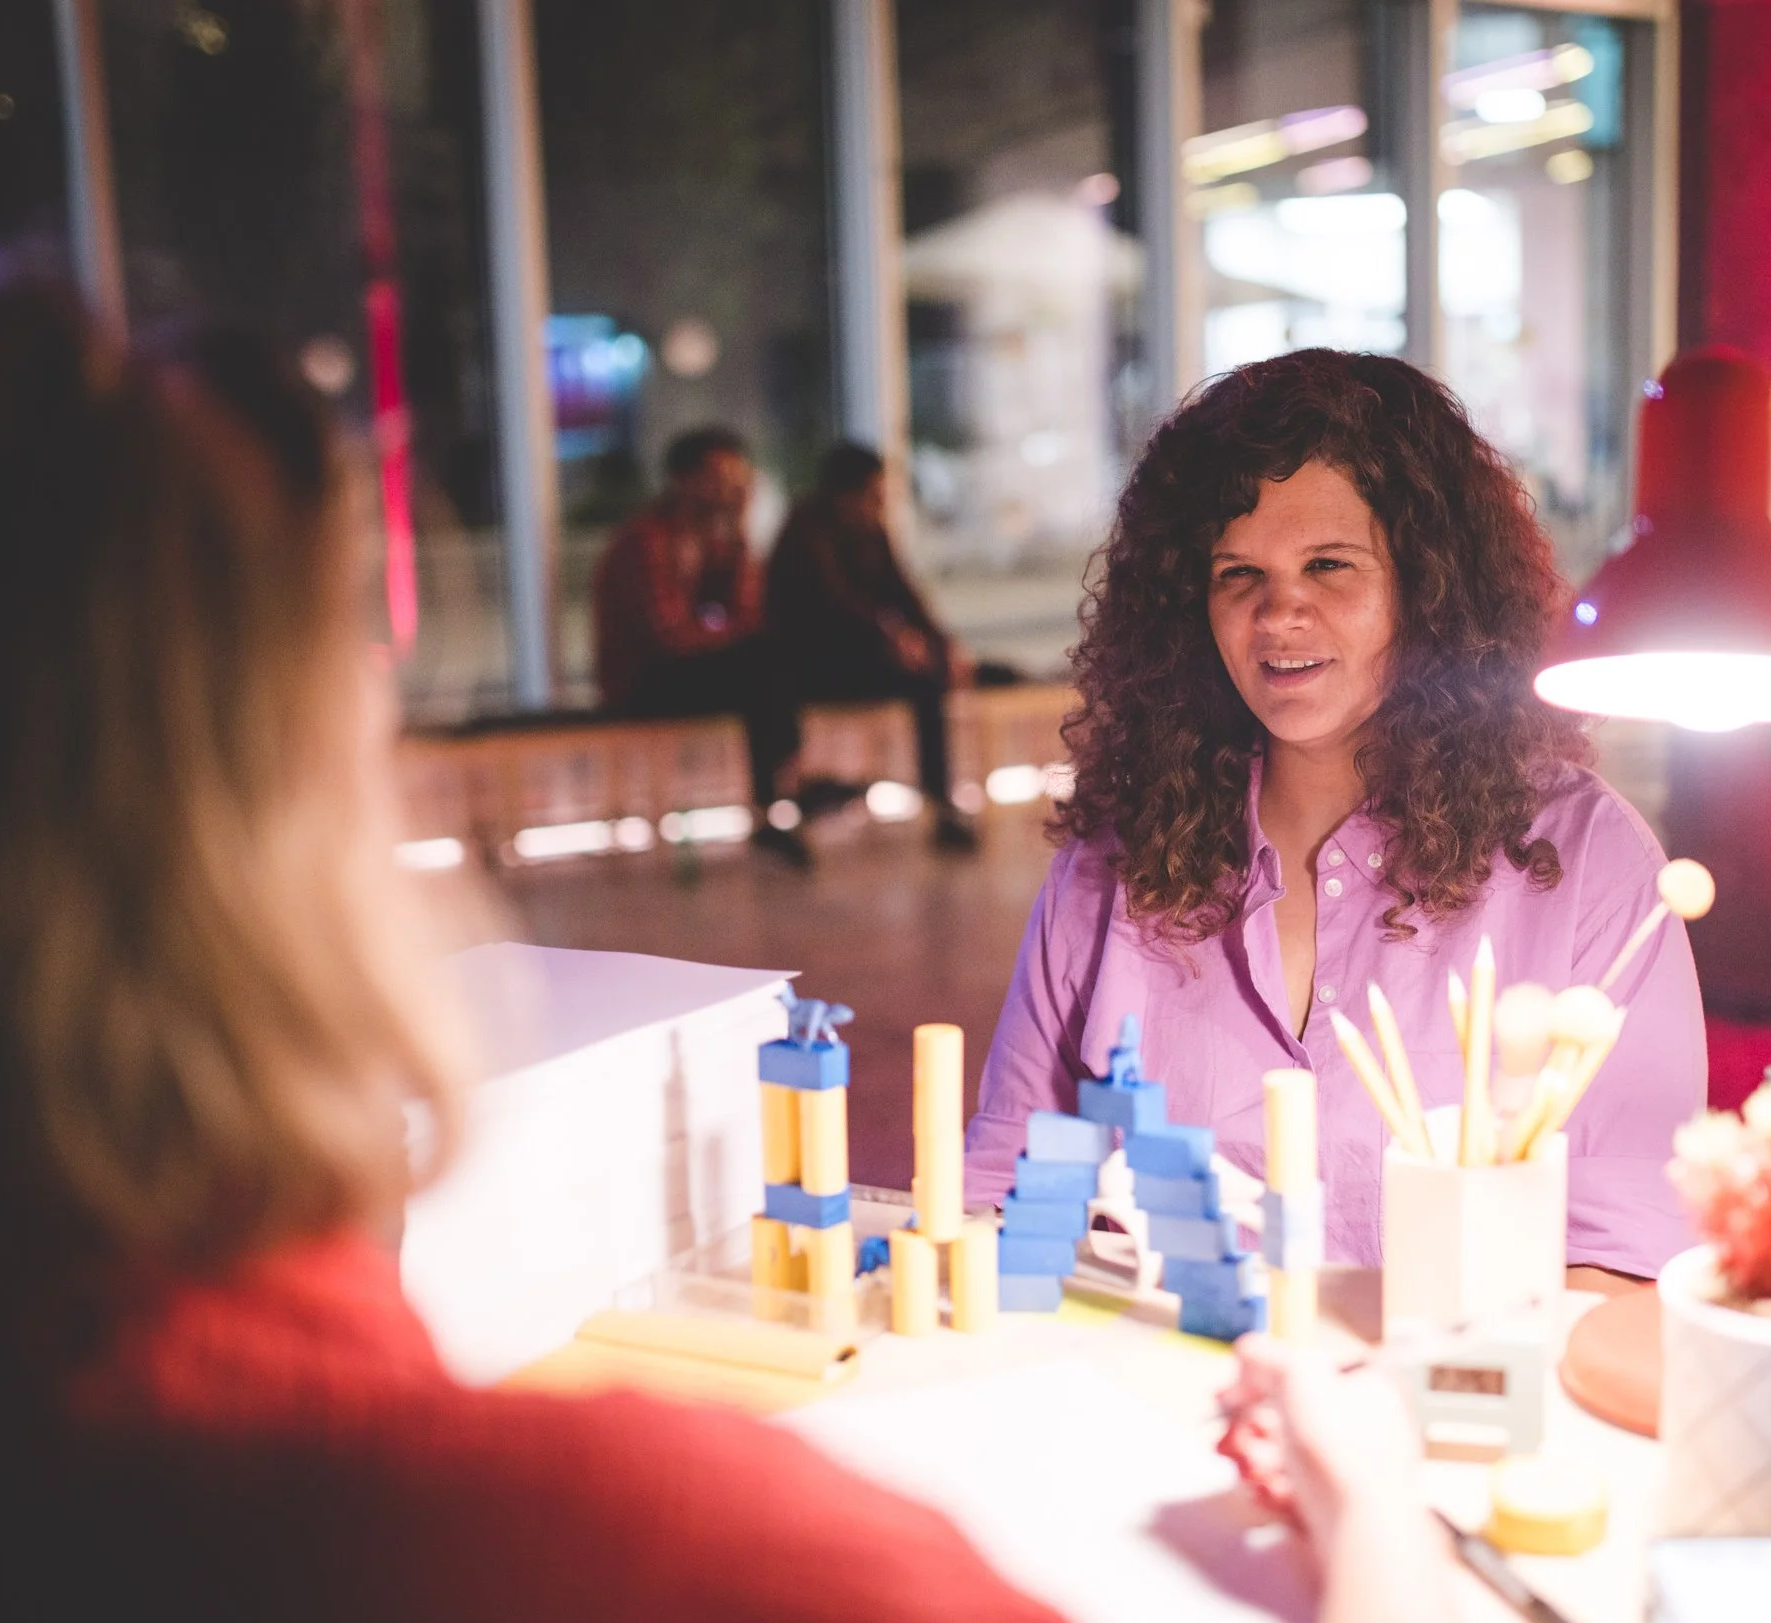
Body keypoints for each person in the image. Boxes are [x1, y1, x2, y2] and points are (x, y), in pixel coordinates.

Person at [0, 267, 1484, 1623]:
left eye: (1330, 568)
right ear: (285, 810)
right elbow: (994, 1176)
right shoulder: (636, 1561)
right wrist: (1382, 1524)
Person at [967, 350, 1706, 1282]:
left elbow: (1625, 1259)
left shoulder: (1589, 864)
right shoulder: (1111, 863)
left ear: (1430, 588)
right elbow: (1008, 1184)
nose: (1280, 611)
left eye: (1329, 564)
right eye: (1238, 573)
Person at [594, 426, 811, 866]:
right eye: (717, 478)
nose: (728, 489)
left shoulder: (715, 539)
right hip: (641, 681)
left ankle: (779, 797)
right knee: (765, 661)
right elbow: (668, 635)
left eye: (737, 479)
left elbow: (747, 612)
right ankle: (786, 789)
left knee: (772, 659)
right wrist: (731, 638)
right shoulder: (648, 540)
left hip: (686, 667)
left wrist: (740, 535)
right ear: (683, 480)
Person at [767, 442, 978, 851]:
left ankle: (941, 801)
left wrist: (941, 643)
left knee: (927, 676)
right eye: (873, 493)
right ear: (844, 494)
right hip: (810, 666)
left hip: (859, 659)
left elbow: (903, 592)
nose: (880, 503)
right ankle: (788, 809)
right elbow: (832, 602)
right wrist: (893, 636)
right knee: (918, 673)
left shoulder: (869, 529)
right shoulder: (806, 530)